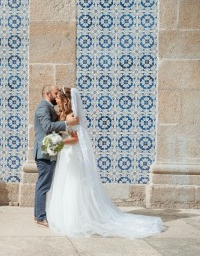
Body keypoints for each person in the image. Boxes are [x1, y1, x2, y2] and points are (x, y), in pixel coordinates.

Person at [46, 87, 164, 238]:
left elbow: (75, 138)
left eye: (58, 97)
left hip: (71, 154)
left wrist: (59, 143)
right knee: (66, 183)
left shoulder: (72, 115)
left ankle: (76, 219)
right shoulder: (63, 114)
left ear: (65, 100)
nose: (56, 99)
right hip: (66, 155)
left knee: (73, 183)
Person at [34, 85, 79, 227]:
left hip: (53, 152)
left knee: (47, 184)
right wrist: (66, 123)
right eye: (55, 93)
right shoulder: (43, 107)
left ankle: (40, 215)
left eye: (59, 94)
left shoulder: (52, 109)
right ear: (48, 94)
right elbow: (47, 127)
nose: (57, 95)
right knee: (44, 185)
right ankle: (40, 217)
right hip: (45, 152)